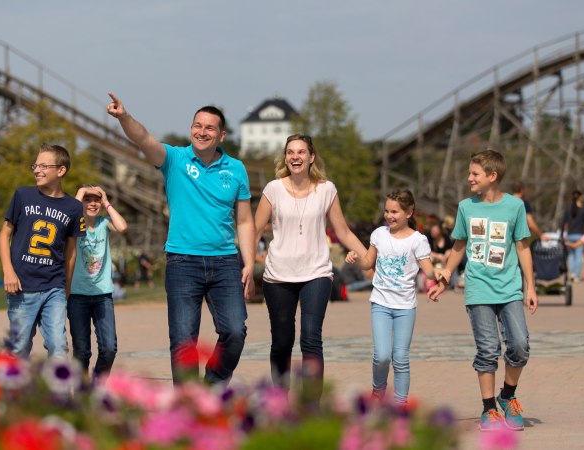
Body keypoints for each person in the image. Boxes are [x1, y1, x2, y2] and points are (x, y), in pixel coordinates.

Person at [107, 93, 255, 385]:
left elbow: (245, 220)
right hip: (182, 261)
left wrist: (249, 263)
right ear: (191, 129)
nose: (202, 132)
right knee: (183, 340)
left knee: (235, 331)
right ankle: (189, 404)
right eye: (197, 125)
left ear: (221, 135)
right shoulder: (174, 159)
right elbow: (144, 140)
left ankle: (213, 382)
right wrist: (124, 117)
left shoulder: (236, 169)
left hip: (225, 261)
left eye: (209, 128)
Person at [254, 134, 368, 406]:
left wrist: (370, 256)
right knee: (282, 341)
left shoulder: (327, 189)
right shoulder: (273, 189)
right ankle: (280, 400)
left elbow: (342, 231)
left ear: (311, 157)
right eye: (290, 152)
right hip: (278, 275)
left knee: (311, 338)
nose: (295, 157)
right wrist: (248, 263)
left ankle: (311, 405)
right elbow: (254, 229)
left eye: (301, 152)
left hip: (316, 273)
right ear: (285, 157)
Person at [429, 150, 538, 432]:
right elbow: (459, 245)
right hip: (478, 289)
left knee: (520, 345)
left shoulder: (515, 207)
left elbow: (523, 247)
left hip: (510, 289)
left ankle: (507, 395)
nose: (469, 178)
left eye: (474, 174)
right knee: (488, 350)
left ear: (492, 176)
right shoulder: (466, 207)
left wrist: (531, 286)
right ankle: (489, 408)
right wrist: (445, 278)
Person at [345, 189, 441, 405]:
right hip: (380, 304)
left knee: (400, 359)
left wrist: (440, 274)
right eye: (387, 211)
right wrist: (356, 260)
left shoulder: (418, 240)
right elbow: (368, 263)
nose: (389, 216)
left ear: (409, 212)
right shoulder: (379, 234)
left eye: (395, 212)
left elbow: (428, 270)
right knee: (382, 356)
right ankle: (378, 391)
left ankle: (400, 405)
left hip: (405, 307)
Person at [0, 143, 86, 358]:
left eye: (43, 166)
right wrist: (8, 271)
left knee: (59, 346)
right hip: (21, 286)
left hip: (53, 287)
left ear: (61, 170)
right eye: (35, 166)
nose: (37, 170)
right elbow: (3, 235)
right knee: (19, 348)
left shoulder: (74, 208)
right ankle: (17, 391)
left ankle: (59, 392)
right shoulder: (22, 195)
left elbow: (71, 252)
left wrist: (66, 287)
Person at [69, 184, 128, 379]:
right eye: (88, 199)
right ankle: (81, 394)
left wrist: (106, 202)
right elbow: (68, 217)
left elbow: (122, 227)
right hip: (77, 295)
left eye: (96, 199)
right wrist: (79, 194)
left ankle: (96, 387)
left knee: (109, 348)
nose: (93, 203)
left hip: (103, 295)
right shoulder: (74, 224)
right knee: (82, 352)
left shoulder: (104, 223)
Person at [562, 190, 584, 281]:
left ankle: (572, 273)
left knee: (570, 255)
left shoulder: (567, 209)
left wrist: (562, 234)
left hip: (570, 235)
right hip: (580, 235)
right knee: (578, 256)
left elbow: (563, 222)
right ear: (580, 197)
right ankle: (576, 275)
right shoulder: (583, 210)